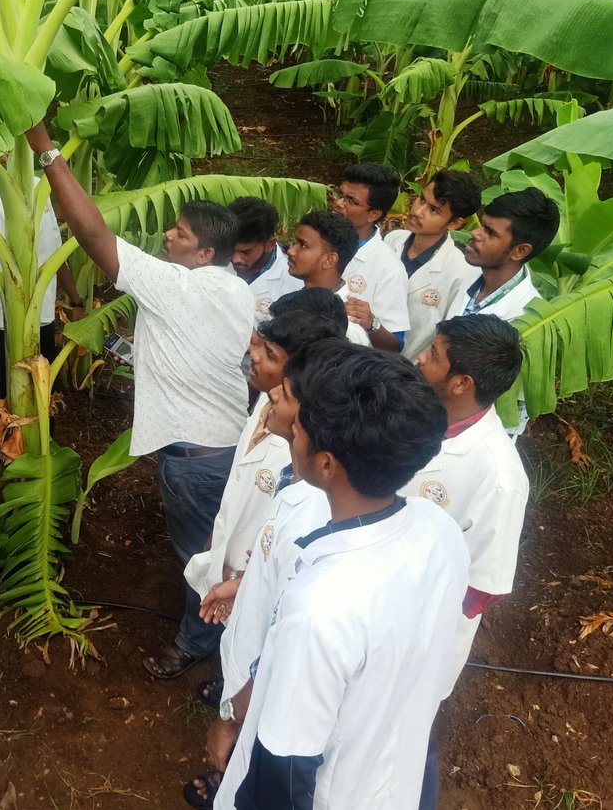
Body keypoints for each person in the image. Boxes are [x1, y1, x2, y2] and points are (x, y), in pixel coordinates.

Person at [25, 121, 254, 679]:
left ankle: (204, 645)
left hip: (194, 462)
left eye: (178, 234)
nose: (167, 239)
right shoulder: (235, 288)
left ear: (203, 252)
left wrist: (46, 150)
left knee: (201, 561)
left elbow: (92, 233)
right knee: (222, 547)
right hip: (230, 446)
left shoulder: (178, 284)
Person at [208, 342, 470, 810]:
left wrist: (233, 720)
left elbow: (282, 777)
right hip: (392, 783)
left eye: (303, 428)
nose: (296, 432)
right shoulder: (440, 531)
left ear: (326, 463)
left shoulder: (321, 610)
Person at [182, 289, 347, 715]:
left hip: (257, 569)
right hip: (234, 557)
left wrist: (246, 573)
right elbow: (240, 486)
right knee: (229, 630)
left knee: (251, 649)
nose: (253, 355)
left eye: (268, 351)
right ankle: (226, 681)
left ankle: (233, 709)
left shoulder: (308, 463)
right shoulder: (270, 401)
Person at [408, 315, 528, 809]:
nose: (420, 357)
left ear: (462, 382)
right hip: (370, 611)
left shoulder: (499, 476)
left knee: (405, 735)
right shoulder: (422, 414)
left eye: (433, 354)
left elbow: (483, 587)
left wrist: (406, 616)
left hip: (417, 636)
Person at [0, 167, 85, 399]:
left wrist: (76, 301)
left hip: (42, 313)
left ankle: (45, 436)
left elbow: (54, 254)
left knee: (43, 392)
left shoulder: (39, 186)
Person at [383, 169, 480, 359]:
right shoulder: (392, 240)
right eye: (421, 199)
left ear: (455, 223)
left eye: (434, 210)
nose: (418, 212)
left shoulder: (461, 274)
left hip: (408, 375)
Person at [448, 186, 560, 320]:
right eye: (483, 225)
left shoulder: (524, 318)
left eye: (490, 232)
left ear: (520, 251)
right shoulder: (462, 273)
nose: (475, 233)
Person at [332, 163, 410, 351]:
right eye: (340, 195)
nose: (338, 203)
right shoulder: (316, 238)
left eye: (351, 200)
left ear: (374, 214)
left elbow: (395, 345)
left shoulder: (389, 269)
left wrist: (371, 323)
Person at [283, 210, 370, 346]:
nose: (291, 251)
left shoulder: (347, 329)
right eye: (294, 243)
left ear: (329, 260)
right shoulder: (294, 300)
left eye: (303, 245)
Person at [228, 197, 301, 320]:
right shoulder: (210, 262)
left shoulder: (293, 287)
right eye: (230, 248)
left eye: (245, 252)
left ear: (269, 244)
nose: (235, 259)